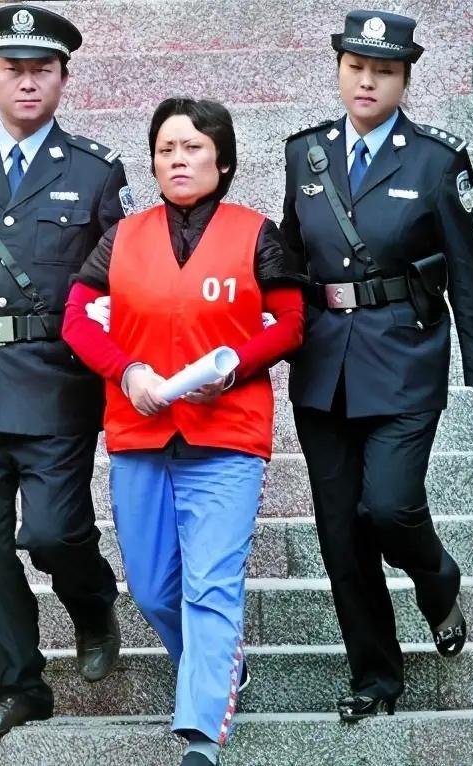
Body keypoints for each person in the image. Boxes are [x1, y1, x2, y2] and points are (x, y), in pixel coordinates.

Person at [62, 97, 304, 766]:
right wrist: (127, 370)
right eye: (166, 148)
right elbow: (77, 319)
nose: (178, 159)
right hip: (140, 434)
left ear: (222, 161)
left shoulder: (255, 234)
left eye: (193, 147)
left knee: (210, 583)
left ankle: (200, 735)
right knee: (150, 587)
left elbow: (290, 321)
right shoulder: (122, 238)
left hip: (227, 436)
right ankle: (221, 663)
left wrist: (232, 369)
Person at [280, 9, 473, 720]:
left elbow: (467, 270)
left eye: (384, 71)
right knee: (341, 534)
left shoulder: (436, 159)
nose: (367, 82)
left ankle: (437, 578)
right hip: (323, 365)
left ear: (405, 79)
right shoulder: (305, 154)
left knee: (391, 507)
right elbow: (289, 255)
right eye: (356, 67)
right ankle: (375, 677)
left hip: (405, 357)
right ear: (339, 70)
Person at [0, 3, 131, 740]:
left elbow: (122, 280)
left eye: (43, 70)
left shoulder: (95, 171)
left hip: (53, 383)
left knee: (51, 531)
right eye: (14, 69)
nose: (28, 82)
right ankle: (19, 684)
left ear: (63, 78)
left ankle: (93, 604)